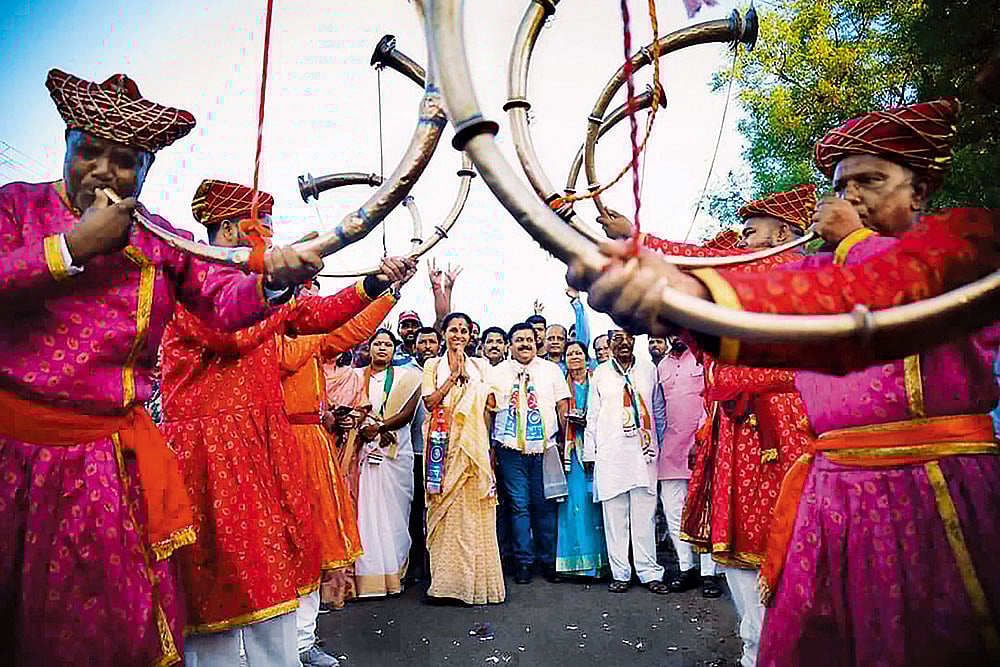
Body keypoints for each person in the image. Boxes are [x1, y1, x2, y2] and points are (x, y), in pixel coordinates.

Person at [574, 98, 1000, 665]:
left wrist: (849, 243)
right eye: (841, 185)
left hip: (935, 487)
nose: (850, 197)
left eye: (871, 181)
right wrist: (664, 288)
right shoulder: (813, 269)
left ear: (919, 191)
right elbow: (753, 291)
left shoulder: (965, 237)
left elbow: (878, 287)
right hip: (833, 493)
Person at [0, 69, 321, 666]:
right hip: (11, 453)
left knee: (110, 626)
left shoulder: (161, 239)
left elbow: (223, 303)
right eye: (88, 151)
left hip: (102, 463)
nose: (102, 172)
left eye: (124, 161)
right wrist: (72, 247)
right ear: (66, 144)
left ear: (146, 169)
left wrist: (274, 281)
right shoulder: (15, 208)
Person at [160, 177, 416, 667]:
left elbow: (318, 316)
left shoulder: (264, 290)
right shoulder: (193, 278)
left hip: (263, 442)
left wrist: (376, 284)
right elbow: (230, 330)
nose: (271, 240)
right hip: (209, 451)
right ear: (230, 230)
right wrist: (277, 284)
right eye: (263, 229)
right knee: (214, 581)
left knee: (275, 567)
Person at [279, 280, 400, 666]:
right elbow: (287, 358)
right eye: (302, 291)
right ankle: (274, 648)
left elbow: (354, 329)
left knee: (315, 542)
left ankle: (303, 641)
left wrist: (389, 294)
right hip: (274, 442)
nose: (309, 299)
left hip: (312, 443)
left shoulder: (313, 336)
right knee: (279, 546)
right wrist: (316, 331)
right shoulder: (266, 330)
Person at [421, 313, 506, 605]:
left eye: (463, 330)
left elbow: (493, 404)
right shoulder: (433, 365)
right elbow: (430, 402)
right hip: (441, 445)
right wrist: (454, 376)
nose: (458, 335)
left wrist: (476, 388)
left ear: (470, 336)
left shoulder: (481, 366)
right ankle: (444, 585)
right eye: (453, 329)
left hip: (473, 449)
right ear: (443, 333)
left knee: (472, 515)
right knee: (442, 510)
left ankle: (472, 585)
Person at [584, 330, 667, 594]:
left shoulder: (648, 369)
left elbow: (658, 409)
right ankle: (620, 573)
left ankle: (649, 572)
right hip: (611, 454)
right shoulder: (600, 373)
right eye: (616, 339)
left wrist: (661, 446)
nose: (623, 343)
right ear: (609, 344)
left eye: (627, 338)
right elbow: (593, 415)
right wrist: (590, 453)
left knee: (645, 516)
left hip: (644, 454)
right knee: (614, 518)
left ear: (634, 341)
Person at [488, 322, 571, 584]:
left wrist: (565, 442)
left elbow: (562, 407)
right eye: (519, 340)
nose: (525, 344)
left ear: (537, 343)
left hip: (545, 449)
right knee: (518, 506)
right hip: (509, 450)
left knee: (545, 506)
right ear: (509, 345)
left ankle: (548, 562)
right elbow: (488, 412)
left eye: (529, 340)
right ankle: (523, 562)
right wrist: (490, 447)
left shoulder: (551, 370)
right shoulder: (496, 373)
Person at [352, 330, 424, 597]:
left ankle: (394, 574)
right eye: (378, 344)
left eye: (388, 344)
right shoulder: (355, 376)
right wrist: (366, 430)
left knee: (395, 515)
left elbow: (407, 413)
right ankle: (365, 577)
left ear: (394, 350)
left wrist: (380, 427)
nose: (382, 348)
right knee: (364, 513)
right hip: (362, 450)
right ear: (368, 348)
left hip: (395, 452)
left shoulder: (408, 378)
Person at [654, 335, 722, 596]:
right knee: (673, 510)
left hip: (701, 445)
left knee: (705, 508)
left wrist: (701, 437)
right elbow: (659, 409)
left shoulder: (705, 358)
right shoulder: (662, 365)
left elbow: (713, 401)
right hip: (670, 449)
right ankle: (687, 568)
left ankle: (709, 573)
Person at [556, 340, 609, 577]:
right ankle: (574, 565)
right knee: (574, 505)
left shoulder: (596, 381)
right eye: (570, 354)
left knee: (595, 505)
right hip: (571, 451)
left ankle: (600, 563)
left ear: (587, 359)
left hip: (597, 447)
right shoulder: (561, 384)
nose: (574, 357)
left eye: (578, 353)